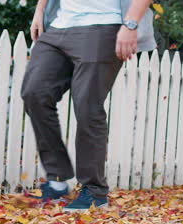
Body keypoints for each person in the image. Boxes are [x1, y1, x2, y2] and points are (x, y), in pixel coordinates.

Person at [21, 0, 156, 211]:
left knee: (87, 105)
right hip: (59, 25)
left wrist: (131, 24)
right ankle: (57, 180)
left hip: (104, 26)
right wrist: (39, 11)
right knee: (34, 93)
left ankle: (94, 192)